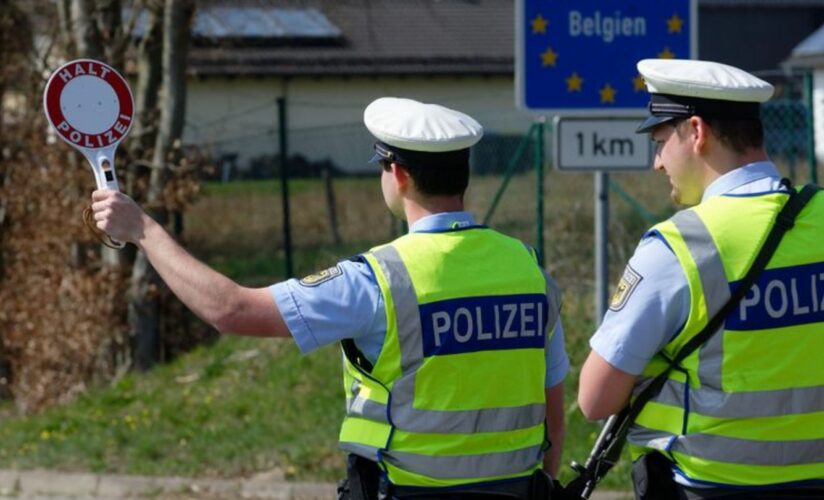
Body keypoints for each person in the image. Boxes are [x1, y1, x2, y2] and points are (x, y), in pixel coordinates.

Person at [91, 97, 569, 499]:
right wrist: (545, 479)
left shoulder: (380, 278)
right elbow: (551, 395)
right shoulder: (528, 270)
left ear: (397, 175)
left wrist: (144, 231)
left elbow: (231, 310)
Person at [577, 58, 824, 499]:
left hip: (716, 487)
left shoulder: (679, 246)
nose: (657, 163)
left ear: (696, 132)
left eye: (659, 141)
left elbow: (594, 400)